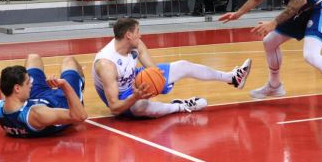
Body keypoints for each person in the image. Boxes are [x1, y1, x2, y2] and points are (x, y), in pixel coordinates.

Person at [92, 18, 252, 118]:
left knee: (182, 66)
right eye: (138, 32)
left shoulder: (136, 44)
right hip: (123, 99)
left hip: (134, 80)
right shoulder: (107, 64)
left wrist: (160, 82)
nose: (140, 35)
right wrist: (136, 96)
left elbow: (154, 70)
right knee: (142, 107)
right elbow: (114, 108)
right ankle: (180, 106)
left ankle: (233, 78)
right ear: (128, 35)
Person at [0, 54, 87, 137]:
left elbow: (8, 105)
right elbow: (80, 116)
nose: (31, 84)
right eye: (28, 82)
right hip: (61, 100)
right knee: (69, 61)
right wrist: (64, 85)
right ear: (17, 88)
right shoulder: (37, 114)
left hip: (35, 97)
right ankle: (80, 84)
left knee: (33, 58)